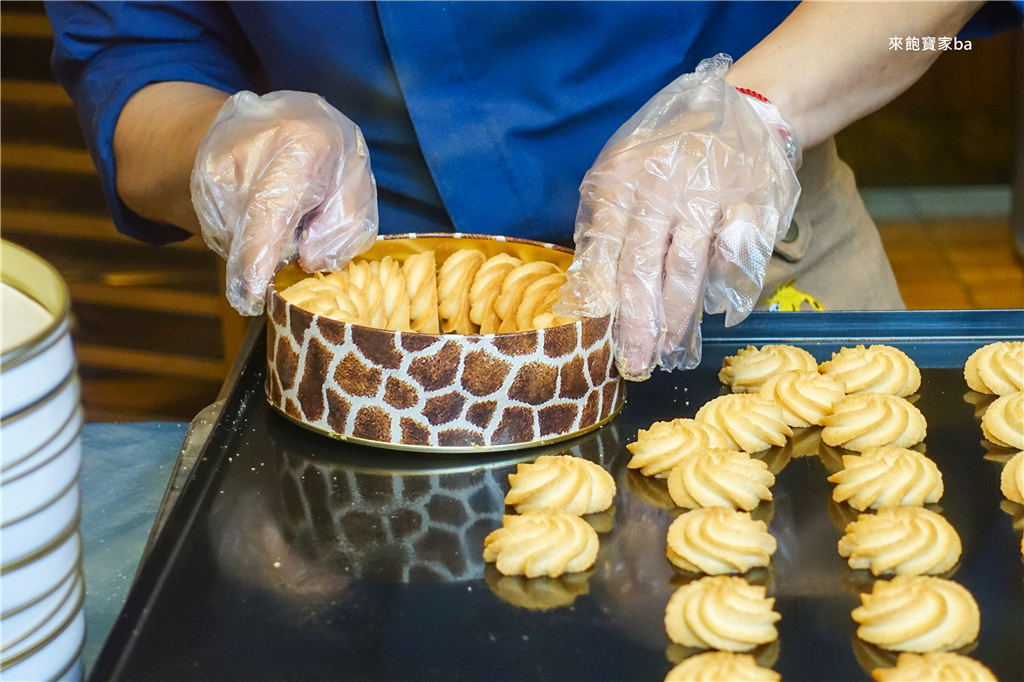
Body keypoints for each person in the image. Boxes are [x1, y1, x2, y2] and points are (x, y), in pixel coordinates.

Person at [46, 1, 1022, 379]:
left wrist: (759, 111)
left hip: (748, 255)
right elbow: (135, 55)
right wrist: (223, 145)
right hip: (363, 312)